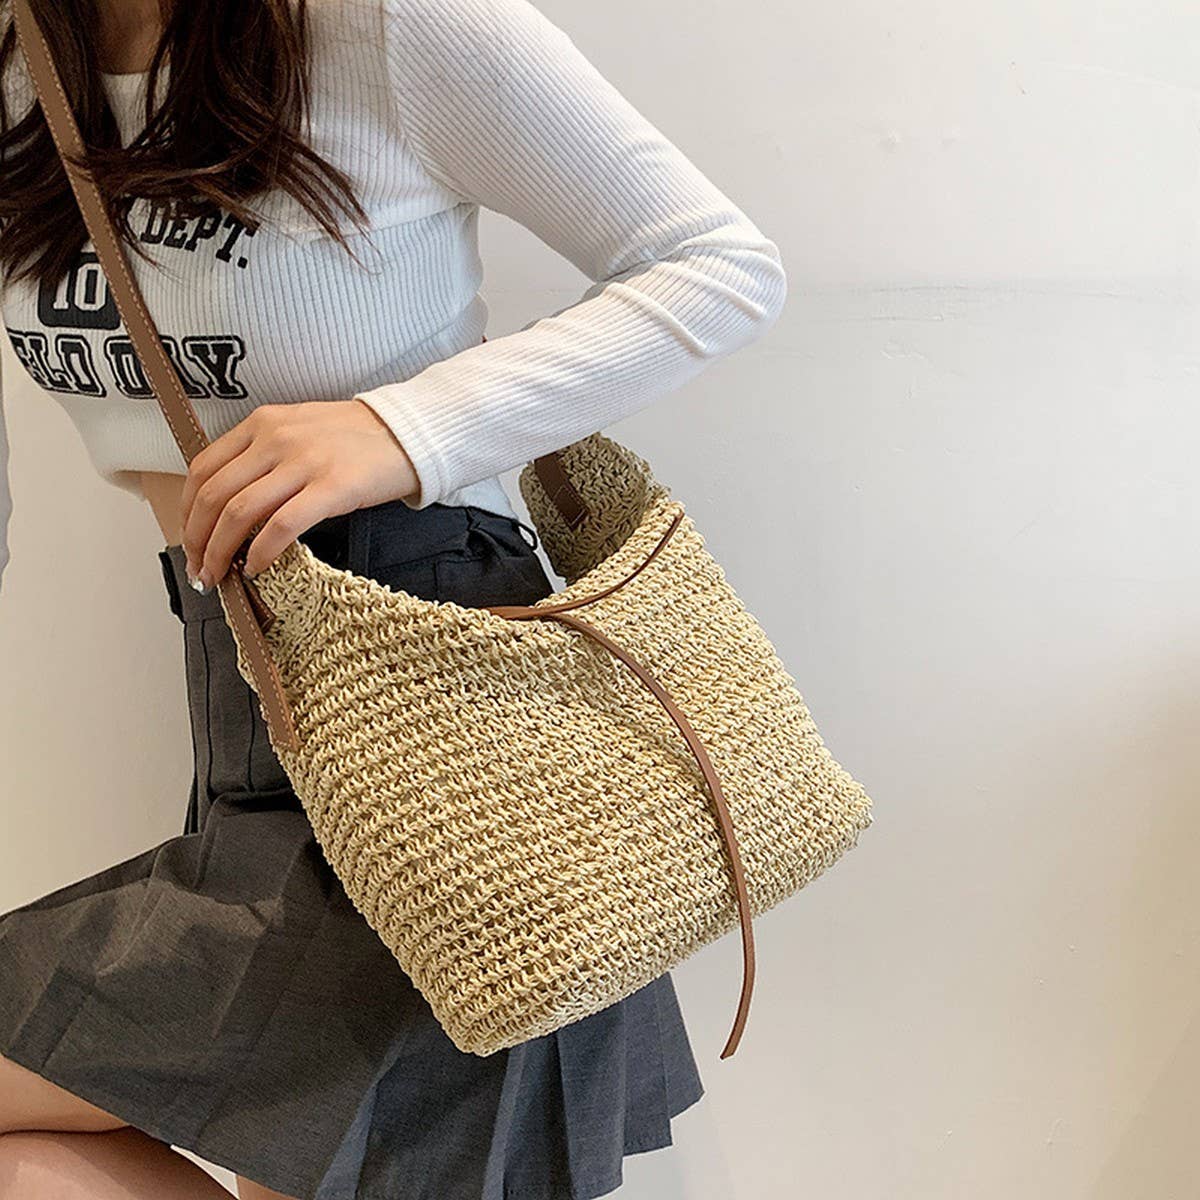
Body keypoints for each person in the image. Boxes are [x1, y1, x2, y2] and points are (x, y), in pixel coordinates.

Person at [0, 0, 788, 1196]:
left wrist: (403, 426)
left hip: (440, 689)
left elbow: (719, 266)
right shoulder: (19, 64)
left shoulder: (383, 27)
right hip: (242, 685)